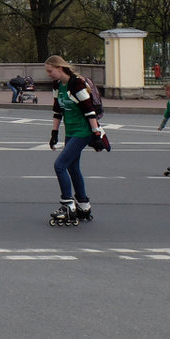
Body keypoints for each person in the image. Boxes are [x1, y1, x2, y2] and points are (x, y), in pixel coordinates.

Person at [44, 54, 108, 226]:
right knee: (72, 167)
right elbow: (58, 110)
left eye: (50, 71)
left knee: (60, 165)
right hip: (71, 130)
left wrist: (95, 133)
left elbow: (89, 109)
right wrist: (54, 133)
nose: (48, 74)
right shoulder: (57, 85)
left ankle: (68, 205)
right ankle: (84, 205)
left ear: (59, 68)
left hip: (83, 130)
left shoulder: (76, 83)